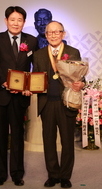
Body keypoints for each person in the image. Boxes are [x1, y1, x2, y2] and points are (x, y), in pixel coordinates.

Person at [0, 6, 37, 186]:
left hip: (20, 96)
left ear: (24, 22)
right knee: (0, 136)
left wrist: (30, 85)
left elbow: (35, 66)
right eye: (12, 19)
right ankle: (0, 174)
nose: (16, 23)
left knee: (17, 135)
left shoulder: (31, 41)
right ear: (6, 21)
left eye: (20, 20)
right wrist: (4, 82)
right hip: (1, 94)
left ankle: (17, 173)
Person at [32, 21, 85, 188]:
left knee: (68, 141)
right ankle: (53, 175)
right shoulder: (39, 54)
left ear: (63, 34)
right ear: (45, 35)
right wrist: (28, 87)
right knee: (48, 141)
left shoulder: (72, 52)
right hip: (46, 103)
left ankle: (65, 176)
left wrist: (81, 84)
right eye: (50, 32)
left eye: (57, 32)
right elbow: (35, 78)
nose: (54, 35)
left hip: (66, 102)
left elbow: (81, 75)